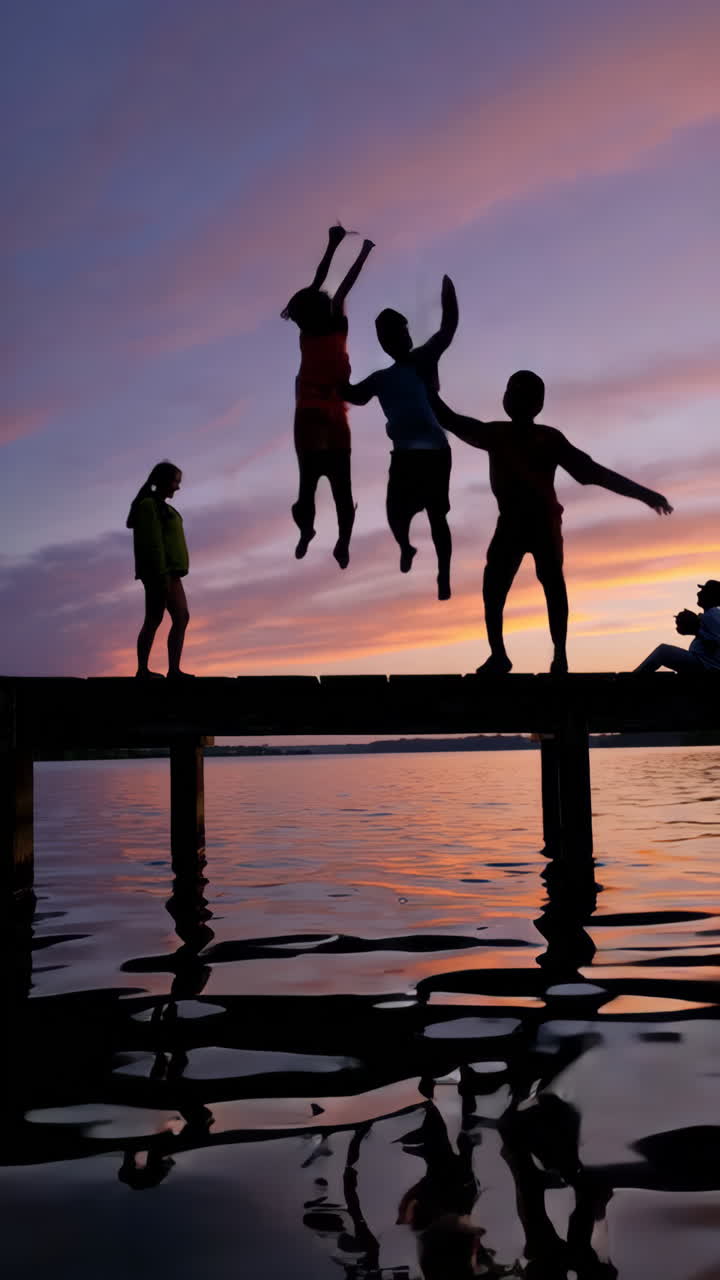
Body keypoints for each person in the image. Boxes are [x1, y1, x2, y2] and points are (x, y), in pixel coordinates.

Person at [429, 370, 673, 672]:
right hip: (512, 524)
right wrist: (423, 385)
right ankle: (501, 655)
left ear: (535, 404)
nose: (513, 398)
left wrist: (644, 494)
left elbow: (591, 472)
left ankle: (558, 654)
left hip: (542, 522)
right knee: (496, 586)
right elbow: (450, 420)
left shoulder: (545, 438)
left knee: (550, 585)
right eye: (511, 391)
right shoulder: (497, 433)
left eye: (519, 394)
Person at [343, 275, 459, 600]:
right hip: (405, 455)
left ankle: (443, 575)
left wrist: (449, 299)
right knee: (395, 513)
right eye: (393, 334)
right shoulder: (381, 379)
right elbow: (353, 394)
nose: (402, 336)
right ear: (385, 343)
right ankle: (406, 547)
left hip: (435, 451)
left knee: (438, 516)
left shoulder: (424, 358)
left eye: (404, 330)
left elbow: (446, 330)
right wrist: (336, 373)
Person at [282, 224, 374, 568]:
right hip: (312, 413)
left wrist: (357, 252)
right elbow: (322, 281)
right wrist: (334, 245)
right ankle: (308, 531)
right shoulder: (312, 327)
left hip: (329, 413)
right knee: (310, 491)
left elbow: (338, 285)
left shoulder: (333, 323)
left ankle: (342, 542)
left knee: (340, 490)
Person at [126, 461, 193, 679]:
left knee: (181, 617)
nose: (178, 487)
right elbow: (153, 542)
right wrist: (161, 573)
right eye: (175, 481)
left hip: (172, 573)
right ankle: (142, 670)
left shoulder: (165, 507)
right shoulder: (148, 506)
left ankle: (174, 670)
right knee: (153, 619)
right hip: (159, 572)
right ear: (164, 481)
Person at [634, 580, 720, 672]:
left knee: (663, 652)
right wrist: (694, 629)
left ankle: (630, 679)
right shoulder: (711, 614)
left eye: (703, 591)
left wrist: (695, 629)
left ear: (711, 595)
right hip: (704, 664)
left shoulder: (712, 614)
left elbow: (717, 641)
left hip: (707, 666)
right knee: (663, 652)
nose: (698, 593)